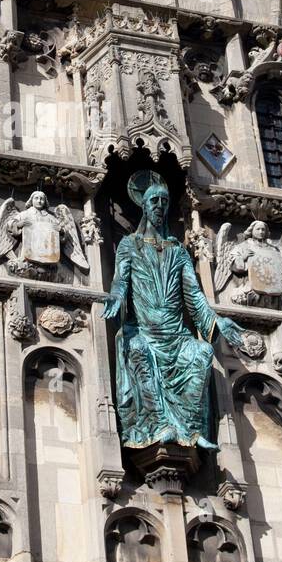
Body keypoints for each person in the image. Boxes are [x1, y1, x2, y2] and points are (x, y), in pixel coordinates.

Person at [103, 171, 245, 449]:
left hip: (176, 336)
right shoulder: (129, 245)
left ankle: (190, 431)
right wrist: (117, 298)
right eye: (154, 201)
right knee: (137, 348)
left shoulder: (179, 251)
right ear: (144, 206)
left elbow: (194, 296)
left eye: (164, 202)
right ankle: (157, 425)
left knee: (202, 353)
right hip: (144, 331)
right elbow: (120, 281)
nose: (159, 206)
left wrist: (218, 322)